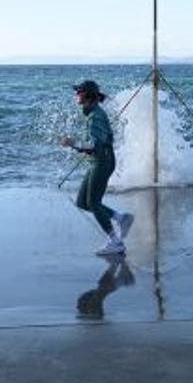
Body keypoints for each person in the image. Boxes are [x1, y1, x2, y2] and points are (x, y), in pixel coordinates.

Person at [60, 80, 134, 255]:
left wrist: (72, 143)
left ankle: (115, 242)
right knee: (82, 202)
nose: (76, 94)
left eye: (79, 91)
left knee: (93, 203)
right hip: (98, 161)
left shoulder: (95, 116)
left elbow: (93, 145)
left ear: (87, 94)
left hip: (103, 161)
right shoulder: (92, 113)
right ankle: (121, 218)